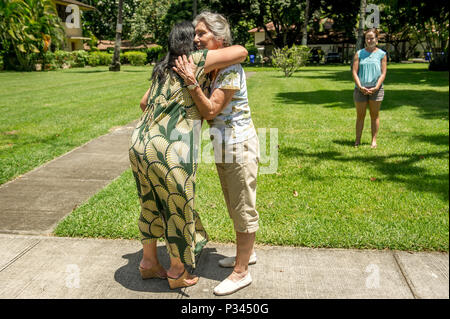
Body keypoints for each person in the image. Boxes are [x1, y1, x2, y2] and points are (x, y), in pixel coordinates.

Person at [129, 21, 248, 289]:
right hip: (170, 147)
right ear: (187, 43)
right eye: (193, 36)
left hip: (139, 142)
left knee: (150, 202)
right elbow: (240, 52)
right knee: (178, 207)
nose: (197, 39)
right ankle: (177, 271)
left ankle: (148, 262)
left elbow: (143, 102)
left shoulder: (164, 67)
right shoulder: (195, 60)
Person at [173, 11, 259, 296]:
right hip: (223, 146)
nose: (196, 39)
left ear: (219, 38)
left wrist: (191, 83)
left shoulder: (231, 70)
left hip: (239, 146)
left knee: (243, 207)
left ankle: (241, 272)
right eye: (196, 34)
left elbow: (210, 109)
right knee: (235, 204)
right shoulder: (212, 69)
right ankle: (244, 254)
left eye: (202, 34)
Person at [352, 28, 387, 148]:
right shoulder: (359, 53)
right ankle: (357, 140)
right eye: (367, 38)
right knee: (360, 116)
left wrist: (377, 87)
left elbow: (383, 73)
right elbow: (354, 72)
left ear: (376, 40)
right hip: (360, 89)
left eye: (372, 38)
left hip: (376, 89)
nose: (369, 40)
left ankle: (374, 140)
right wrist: (360, 86)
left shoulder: (382, 54)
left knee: (374, 115)